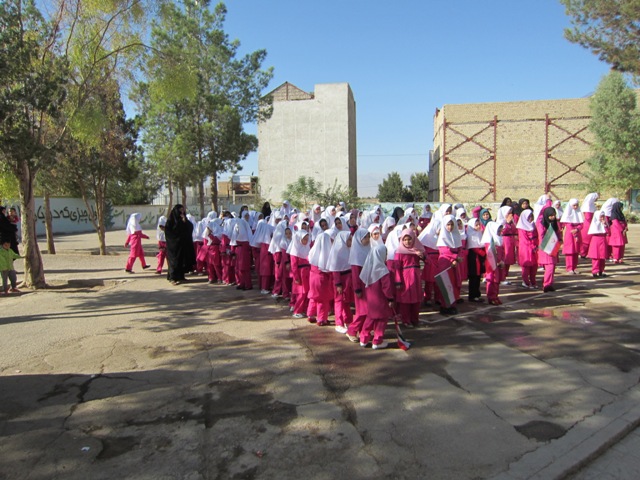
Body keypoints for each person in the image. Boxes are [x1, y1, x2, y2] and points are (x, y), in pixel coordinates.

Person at [359, 244, 396, 349]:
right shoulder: (383, 270)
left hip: (371, 300)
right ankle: (377, 341)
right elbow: (386, 288)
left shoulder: (368, 269)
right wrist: (390, 298)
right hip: (381, 300)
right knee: (381, 320)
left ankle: (363, 339)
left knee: (370, 319)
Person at [394, 229, 426, 327]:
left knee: (416, 299)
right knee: (406, 300)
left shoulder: (417, 249)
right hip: (405, 277)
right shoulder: (399, 252)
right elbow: (397, 267)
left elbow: (427, 261)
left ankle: (415, 319)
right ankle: (406, 320)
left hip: (416, 276)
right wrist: (398, 281)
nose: (407, 242)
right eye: (405, 240)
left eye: (409, 239)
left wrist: (422, 256)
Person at [346, 229, 371, 342]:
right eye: (365, 237)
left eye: (368, 237)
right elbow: (355, 274)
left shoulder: (368, 250)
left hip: (369, 285)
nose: (367, 240)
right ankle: (352, 330)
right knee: (362, 311)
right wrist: (357, 289)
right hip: (360, 287)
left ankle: (362, 331)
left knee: (368, 311)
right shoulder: (356, 254)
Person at [327, 231, 354, 334]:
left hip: (348, 280)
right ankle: (339, 323)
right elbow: (335, 269)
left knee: (346, 301)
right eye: (349, 240)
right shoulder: (337, 253)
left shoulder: (349, 251)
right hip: (341, 281)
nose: (351, 242)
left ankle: (348, 320)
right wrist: (338, 284)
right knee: (339, 301)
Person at [436, 215, 463, 314]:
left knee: (454, 284)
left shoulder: (456, 236)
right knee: (446, 283)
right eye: (448, 224)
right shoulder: (442, 237)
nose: (450, 227)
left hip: (454, 264)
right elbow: (444, 251)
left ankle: (452, 305)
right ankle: (445, 305)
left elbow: (460, 249)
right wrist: (455, 258)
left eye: (452, 224)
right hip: (445, 264)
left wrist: (457, 258)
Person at [307, 232, 333, 326]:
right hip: (322, 278)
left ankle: (310, 314)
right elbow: (328, 268)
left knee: (313, 296)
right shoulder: (327, 253)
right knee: (323, 299)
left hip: (312, 276)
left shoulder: (313, 251)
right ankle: (321, 319)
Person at [164, 204, 195, 285]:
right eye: (180, 210)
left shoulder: (184, 219)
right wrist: (176, 237)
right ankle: (172, 278)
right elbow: (168, 231)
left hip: (182, 245)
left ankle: (181, 277)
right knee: (174, 262)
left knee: (182, 261)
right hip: (174, 246)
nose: (182, 212)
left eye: (183, 210)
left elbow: (190, 228)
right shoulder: (171, 221)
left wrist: (185, 221)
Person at [538, 206, 560, 292]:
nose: (553, 217)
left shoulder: (554, 223)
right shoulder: (542, 224)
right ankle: (546, 284)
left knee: (552, 267)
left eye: (554, 215)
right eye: (551, 215)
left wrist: (559, 240)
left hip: (553, 247)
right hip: (546, 248)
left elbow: (558, 233)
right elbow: (541, 236)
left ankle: (550, 283)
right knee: (550, 267)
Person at [481, 221, 505, 305]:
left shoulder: (499, 239)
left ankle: (496, 296)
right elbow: (490, 254)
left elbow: (502, 251)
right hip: (491, 264)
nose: (499, 232)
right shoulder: (489, 241)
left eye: (500, 230)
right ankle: (491, 297)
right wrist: (498, 261)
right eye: (498, 230)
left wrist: (502, 260)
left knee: (497, 281)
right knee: (491, 280)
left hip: (499, 264)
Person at [289, 231, 311, 318]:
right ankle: (297, 311)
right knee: (301, 294)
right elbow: (293, 266)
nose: (306, 241)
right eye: (304, 239)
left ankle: (303, 309)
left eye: (307, 239)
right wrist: (296, 277)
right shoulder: (295, 250)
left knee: (306, 293)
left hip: (307, 273)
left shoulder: (307, 248)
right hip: (300, 274)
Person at [516, 209, 539, 289]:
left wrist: (537, 246)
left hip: (534, 249)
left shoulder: (533, 225)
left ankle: (533, 282)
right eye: (529, 217)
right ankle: (526, 282)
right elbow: (524, 240)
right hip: (526, 250)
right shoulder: (521, 228)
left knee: (534, 266)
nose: (531, 218)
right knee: (526, 266)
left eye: (532, 216)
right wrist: (533, 246)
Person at [559, 199, 584, 274]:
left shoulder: (578, 213)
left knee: (576, 251)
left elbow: (581, 224)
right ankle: (569, 267)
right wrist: (574, 229)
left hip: (577, 233)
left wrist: (577, 229)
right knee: (570, 251)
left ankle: (575, 267)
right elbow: (567, 224)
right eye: (574, 205)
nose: (575, 207)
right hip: (570, 234)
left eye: (577, 205)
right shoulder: (568, 214)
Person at [587, 210, 610, 277]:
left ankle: (601, 271)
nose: (602, 218)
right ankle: (595, 271)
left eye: (603, 216)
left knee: (602, 257)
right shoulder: (594, 224)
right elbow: (593, 232)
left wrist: (605, 225)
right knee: (596, 257)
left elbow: (608, 232)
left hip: (603, 240)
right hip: (596, 240)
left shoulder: (605, 223)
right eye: (601, 217)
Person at [579, 193, 599, 258]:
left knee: (589, 239)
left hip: (590, 223)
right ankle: (583, 253)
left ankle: (587, 253)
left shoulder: (591, 205)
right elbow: (588, 217)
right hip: (587, 224)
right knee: (586, 239)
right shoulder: (587, 206)